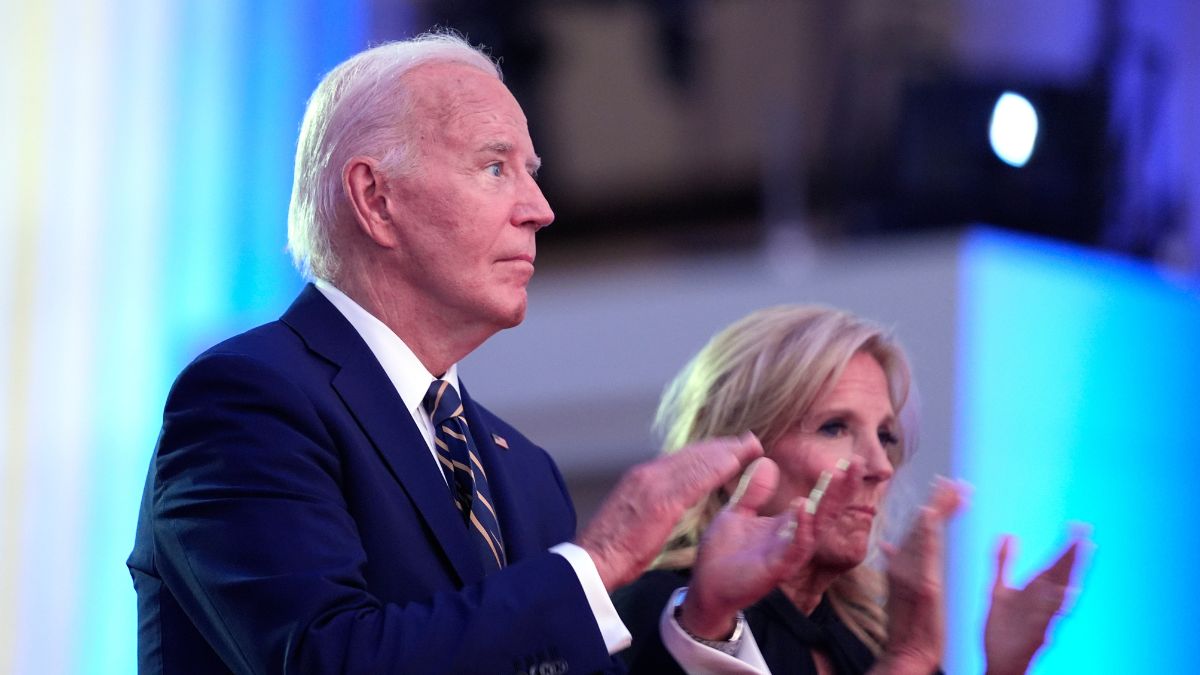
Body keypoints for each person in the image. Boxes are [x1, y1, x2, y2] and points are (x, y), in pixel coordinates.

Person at [126, 33, 767, 674]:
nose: (540, 210)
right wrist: (596, 564)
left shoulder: (527, 472)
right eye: (496, 168)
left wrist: (703, 618)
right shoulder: (249, 402)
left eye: (531, 174)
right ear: (376, 200)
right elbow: (329, 660)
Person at [613, 305, 1088, 674]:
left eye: (885, 436)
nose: (880, 466)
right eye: (835, 428)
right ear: (737, 460)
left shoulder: (867, 634)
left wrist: (1004, 667)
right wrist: (905, 661)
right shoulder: (668, 615)